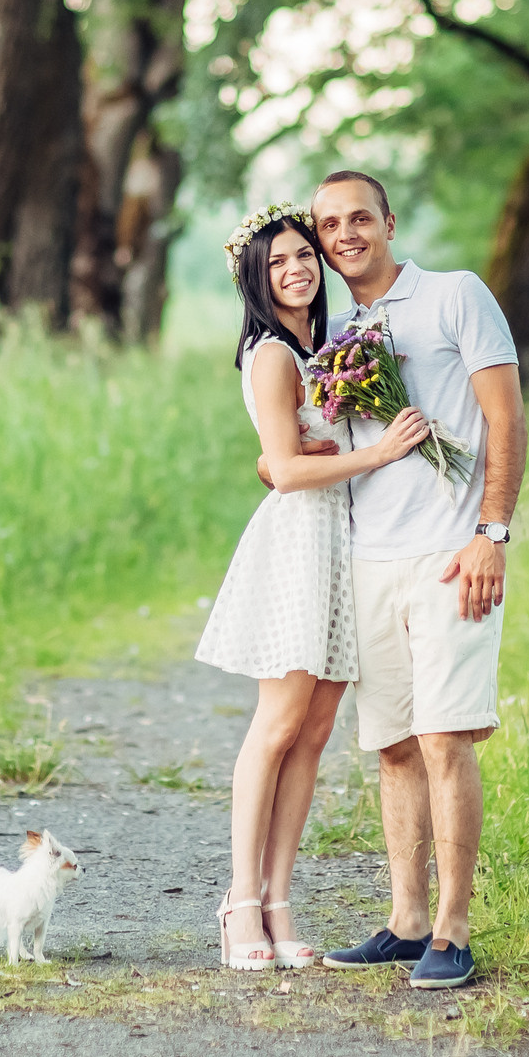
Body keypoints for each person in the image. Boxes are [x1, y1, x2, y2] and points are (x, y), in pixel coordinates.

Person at [193, 205, 433, 971]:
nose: (297, 268)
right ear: (256, 283)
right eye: (278, 263)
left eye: (305, 255)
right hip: (300, 542)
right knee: (279, 720)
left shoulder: (321, 347)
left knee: (317, 728)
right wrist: (382, 451)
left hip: (345, 541)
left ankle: (280, 900)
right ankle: (238, 902)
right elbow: (287, 470)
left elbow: (300, 451)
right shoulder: (271, 355)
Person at [305, 170, 526, 991]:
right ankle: (404, 921)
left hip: (450, 555)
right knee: (393, 746)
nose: (346, 233)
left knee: (445, 737)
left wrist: (490, 534)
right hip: (372, 560)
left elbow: (504, 417)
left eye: (359, 216)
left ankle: (453, 928)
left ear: (389, 221)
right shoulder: (336, 331)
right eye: (330, 224)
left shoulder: (455, 296)